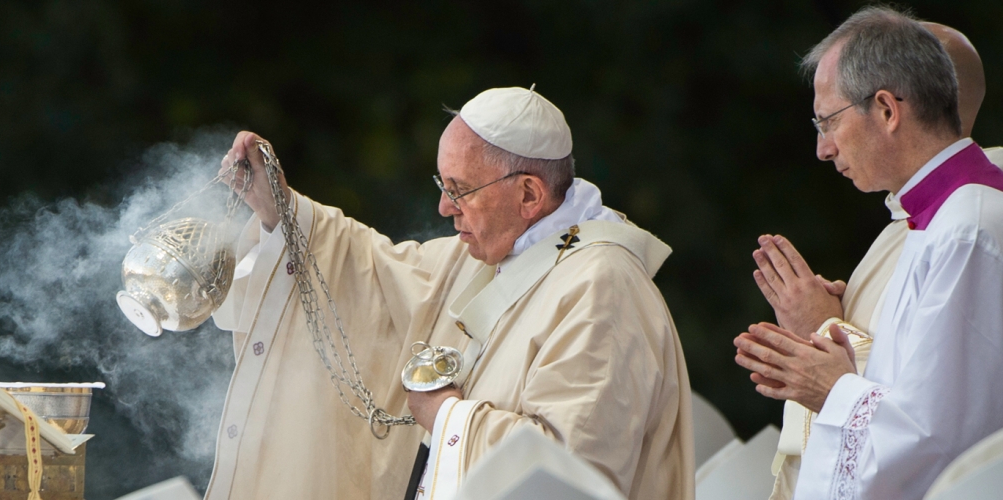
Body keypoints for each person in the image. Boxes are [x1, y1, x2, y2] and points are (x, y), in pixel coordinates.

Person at [205, 86, 694, 500]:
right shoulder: (487, 256)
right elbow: (368, 274)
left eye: (460, 190)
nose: (443, 207)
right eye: (443, 184)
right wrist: (282, 212)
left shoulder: (603, 287)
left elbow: (571, 475)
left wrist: (447, 416)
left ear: (528, 195)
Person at [734, 6, 1003, 499]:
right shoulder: (933, 218)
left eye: (828, 121)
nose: (823, 148)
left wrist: (831, 387)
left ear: (886, 109)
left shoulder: (969, 229)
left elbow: (942, 439)